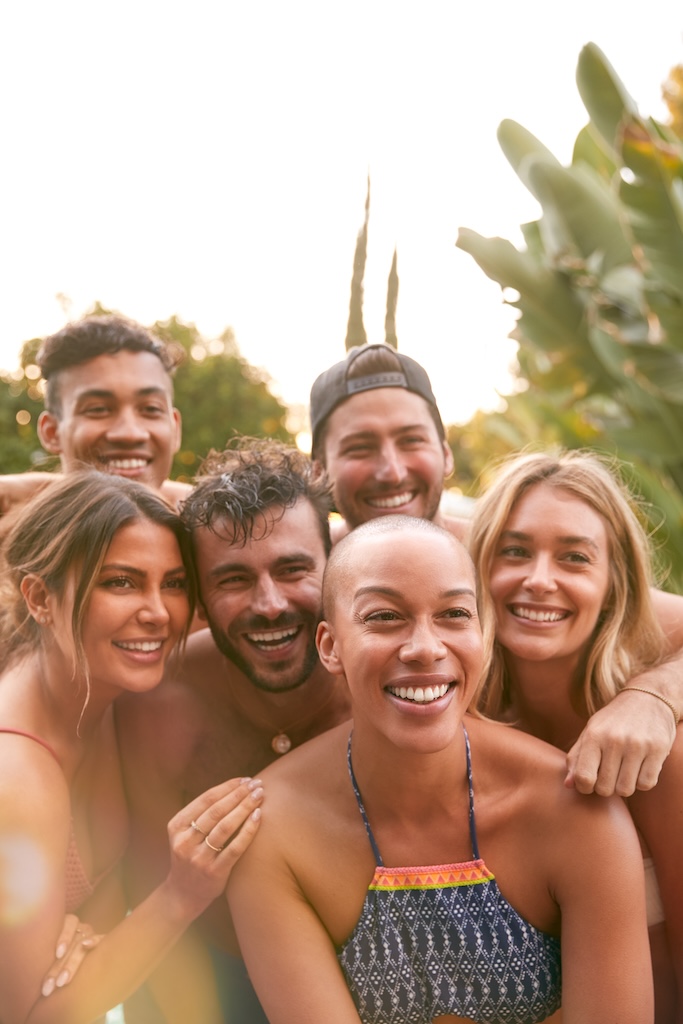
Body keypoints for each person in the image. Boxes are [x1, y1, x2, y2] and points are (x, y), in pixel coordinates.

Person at [227, 514, 653, 1024]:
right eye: (384, 617)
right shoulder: (274, 830)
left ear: (481, 631)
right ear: (330, 646)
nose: (426, 648)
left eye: (454, 614)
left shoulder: (573, 808)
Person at [0, 471, 263, 1024]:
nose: (159, 612)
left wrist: (88, 933)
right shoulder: (16, 775)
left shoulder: (103, 696)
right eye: (120, 582)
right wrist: (181, 894)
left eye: (172, 583)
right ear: (40, 597)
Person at [116, 438, 352, 1022]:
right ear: (197, 594)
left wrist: (625, 695)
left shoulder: (396, 684)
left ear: (337, 564)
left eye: (294, 569)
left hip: (364, 974)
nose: (269, 604)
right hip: (207, 974)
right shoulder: (158, 701)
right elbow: (145, 893)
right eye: (233, 580)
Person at [468, 449, 683, 1022]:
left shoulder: (664, 757)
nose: (539, 580)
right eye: (514, 551)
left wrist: (656, 693)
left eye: (574, 558)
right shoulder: (452, 737)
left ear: (614, 584)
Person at [0, 314, 190, 512]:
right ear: (52, 432)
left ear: (175, 429)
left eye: (151, 409)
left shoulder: (212, 534)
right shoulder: (13, 536)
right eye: (98, 409)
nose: (130, 433)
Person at [309, 343, 469, 543]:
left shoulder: (494, 560)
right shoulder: (303, 567)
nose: (393, 474)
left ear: (446, 454)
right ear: (318, 472)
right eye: (360, 448)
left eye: (412, 441)